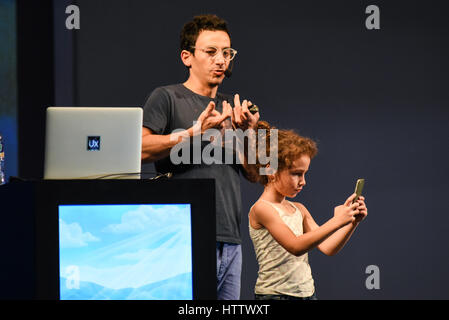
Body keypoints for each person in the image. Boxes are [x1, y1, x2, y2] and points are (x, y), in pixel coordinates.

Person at [141, 14, 259, 300]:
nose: (221, 60)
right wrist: (193, 132)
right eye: (210, 52)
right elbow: (138, 150)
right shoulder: (167, 97)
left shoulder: (237, 109)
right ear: (187, 56)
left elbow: (260, 174)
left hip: (230, 239)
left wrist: (250, 134)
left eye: (226, 53)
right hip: (182, 236)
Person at [246, 122, 368, 300]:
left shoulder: (299, 209)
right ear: (271, 170)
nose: (303, 181)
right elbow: (295, 246)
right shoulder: (262, 209)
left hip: (307, 294)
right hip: (275, 296)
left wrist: (351, 222)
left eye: (304, 174)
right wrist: (336, 220)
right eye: (296, 173)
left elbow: (328, 247)